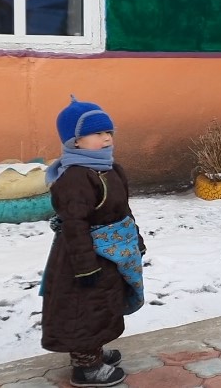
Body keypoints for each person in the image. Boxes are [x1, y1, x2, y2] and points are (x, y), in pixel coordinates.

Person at [40, 96, 146, 387]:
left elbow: (123, 210)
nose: (106, 138)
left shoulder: (112, 170)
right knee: (83, 308)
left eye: (108, 132)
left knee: (104, 303)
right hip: (83, 256)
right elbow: (75, 225)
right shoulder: (75, 178)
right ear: (75, 141)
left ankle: (94, 350)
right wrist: (85, 267)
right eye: (97, 133)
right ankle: (85, 367)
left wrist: (135, 239)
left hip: (112, 253)